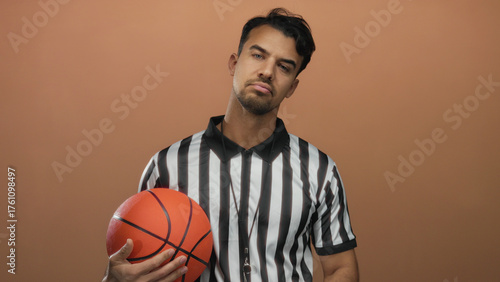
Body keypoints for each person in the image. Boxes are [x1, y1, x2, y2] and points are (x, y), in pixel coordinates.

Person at [103, 8, 358, 282]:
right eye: (258, 55)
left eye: (284, 66)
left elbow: (340, 269)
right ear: (234, 64)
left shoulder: (319, 169)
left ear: (292, 87)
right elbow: (136, 266)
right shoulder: (167, 165)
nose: (267, 72)